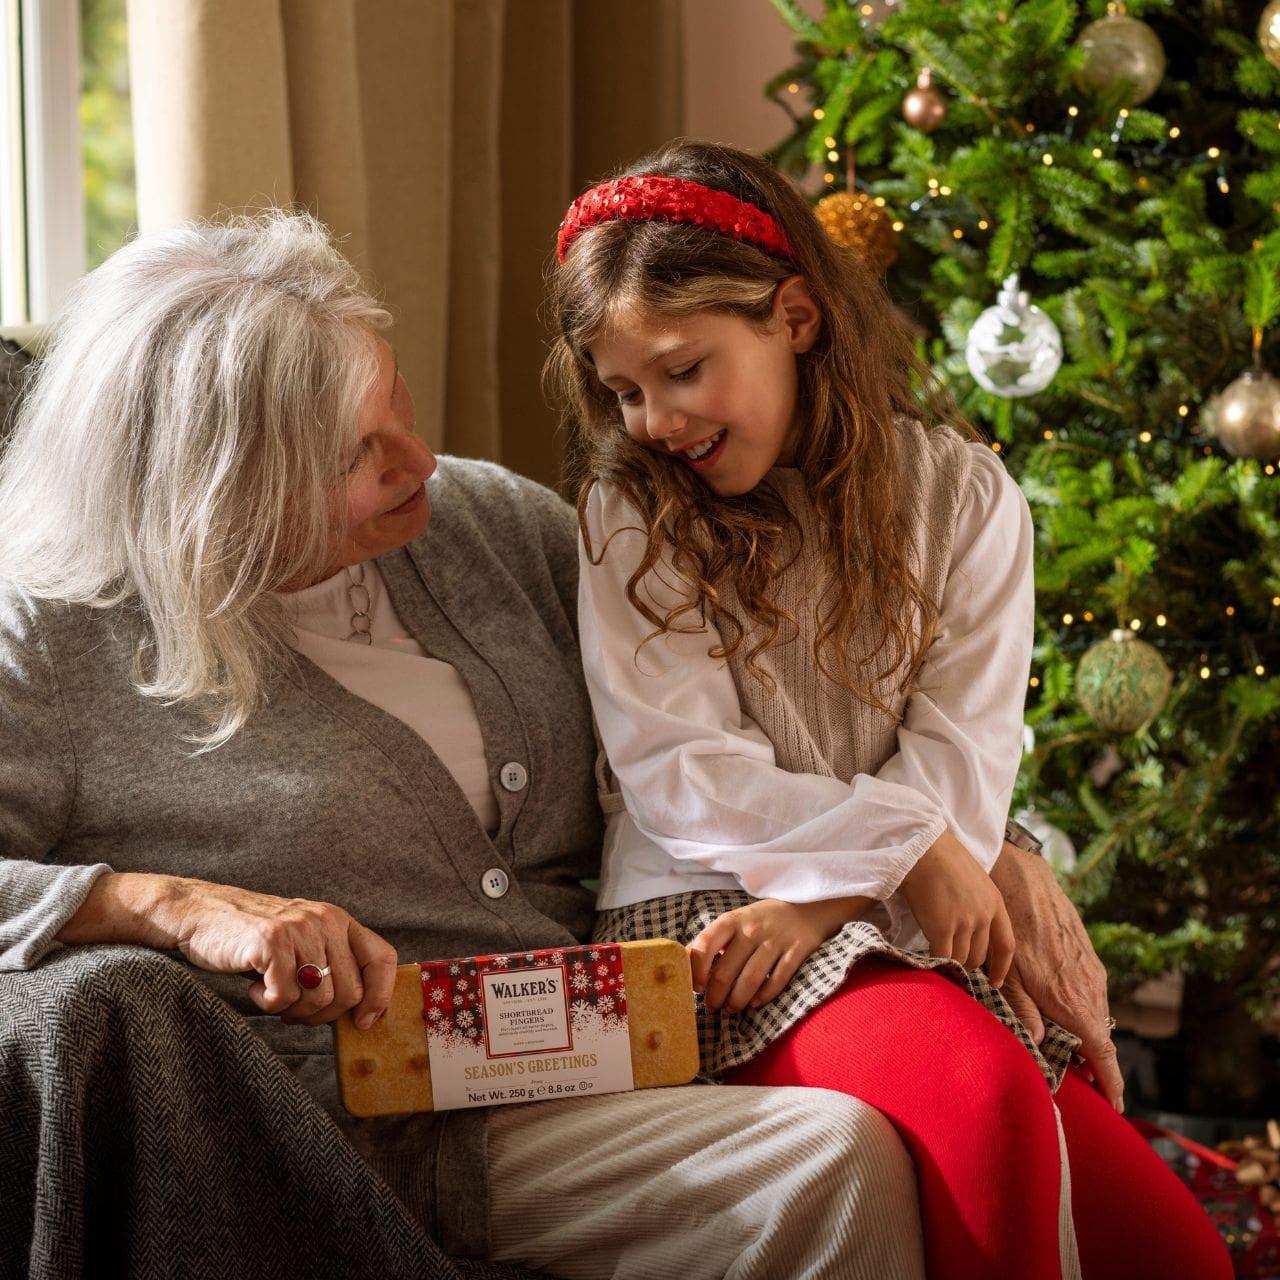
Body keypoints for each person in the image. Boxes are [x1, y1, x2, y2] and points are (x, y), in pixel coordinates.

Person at [0, 208, 927, 1280]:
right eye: (356, 453)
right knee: (826, 1162)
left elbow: (759, 717)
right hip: (354, 1126)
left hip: (619, 1047)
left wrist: (966, 840)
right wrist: (164, 903)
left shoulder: (492, 523)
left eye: (393, 398)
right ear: (213, 494)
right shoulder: (53, 630)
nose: (418, 457)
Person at [546, 138, 1231, 1280]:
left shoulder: (962, 498)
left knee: (1176, 1255)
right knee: (985, 1106)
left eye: (682, 369)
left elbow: (962, 764)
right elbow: (682, 774)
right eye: (623, 390)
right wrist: (898, 853)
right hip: (711, 929)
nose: (655, 419)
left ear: (797, 318)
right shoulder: (630, 516)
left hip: (888, 914)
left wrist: (835, 900)